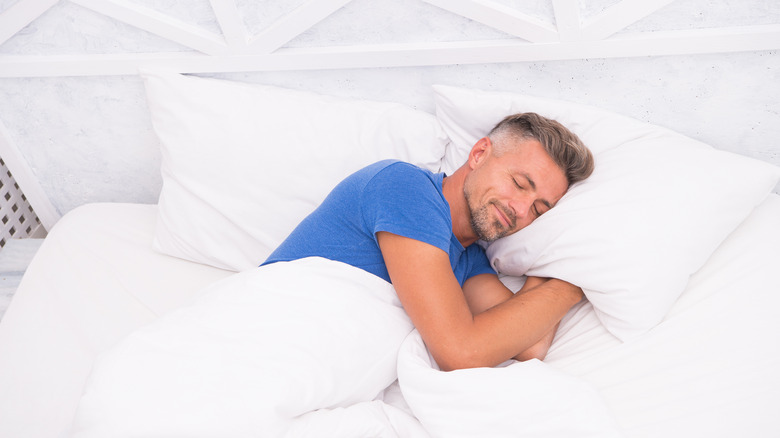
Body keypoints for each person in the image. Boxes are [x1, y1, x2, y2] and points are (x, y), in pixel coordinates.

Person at [264, 112, 594, 371]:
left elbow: (529, 346)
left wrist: (554, 263)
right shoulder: (405, 188)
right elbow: (462, 352)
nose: (521, 210)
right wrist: (570, 287)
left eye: (539, 210)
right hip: (272, 330)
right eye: (519, 184)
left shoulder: (469, 261)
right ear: (479, 154)